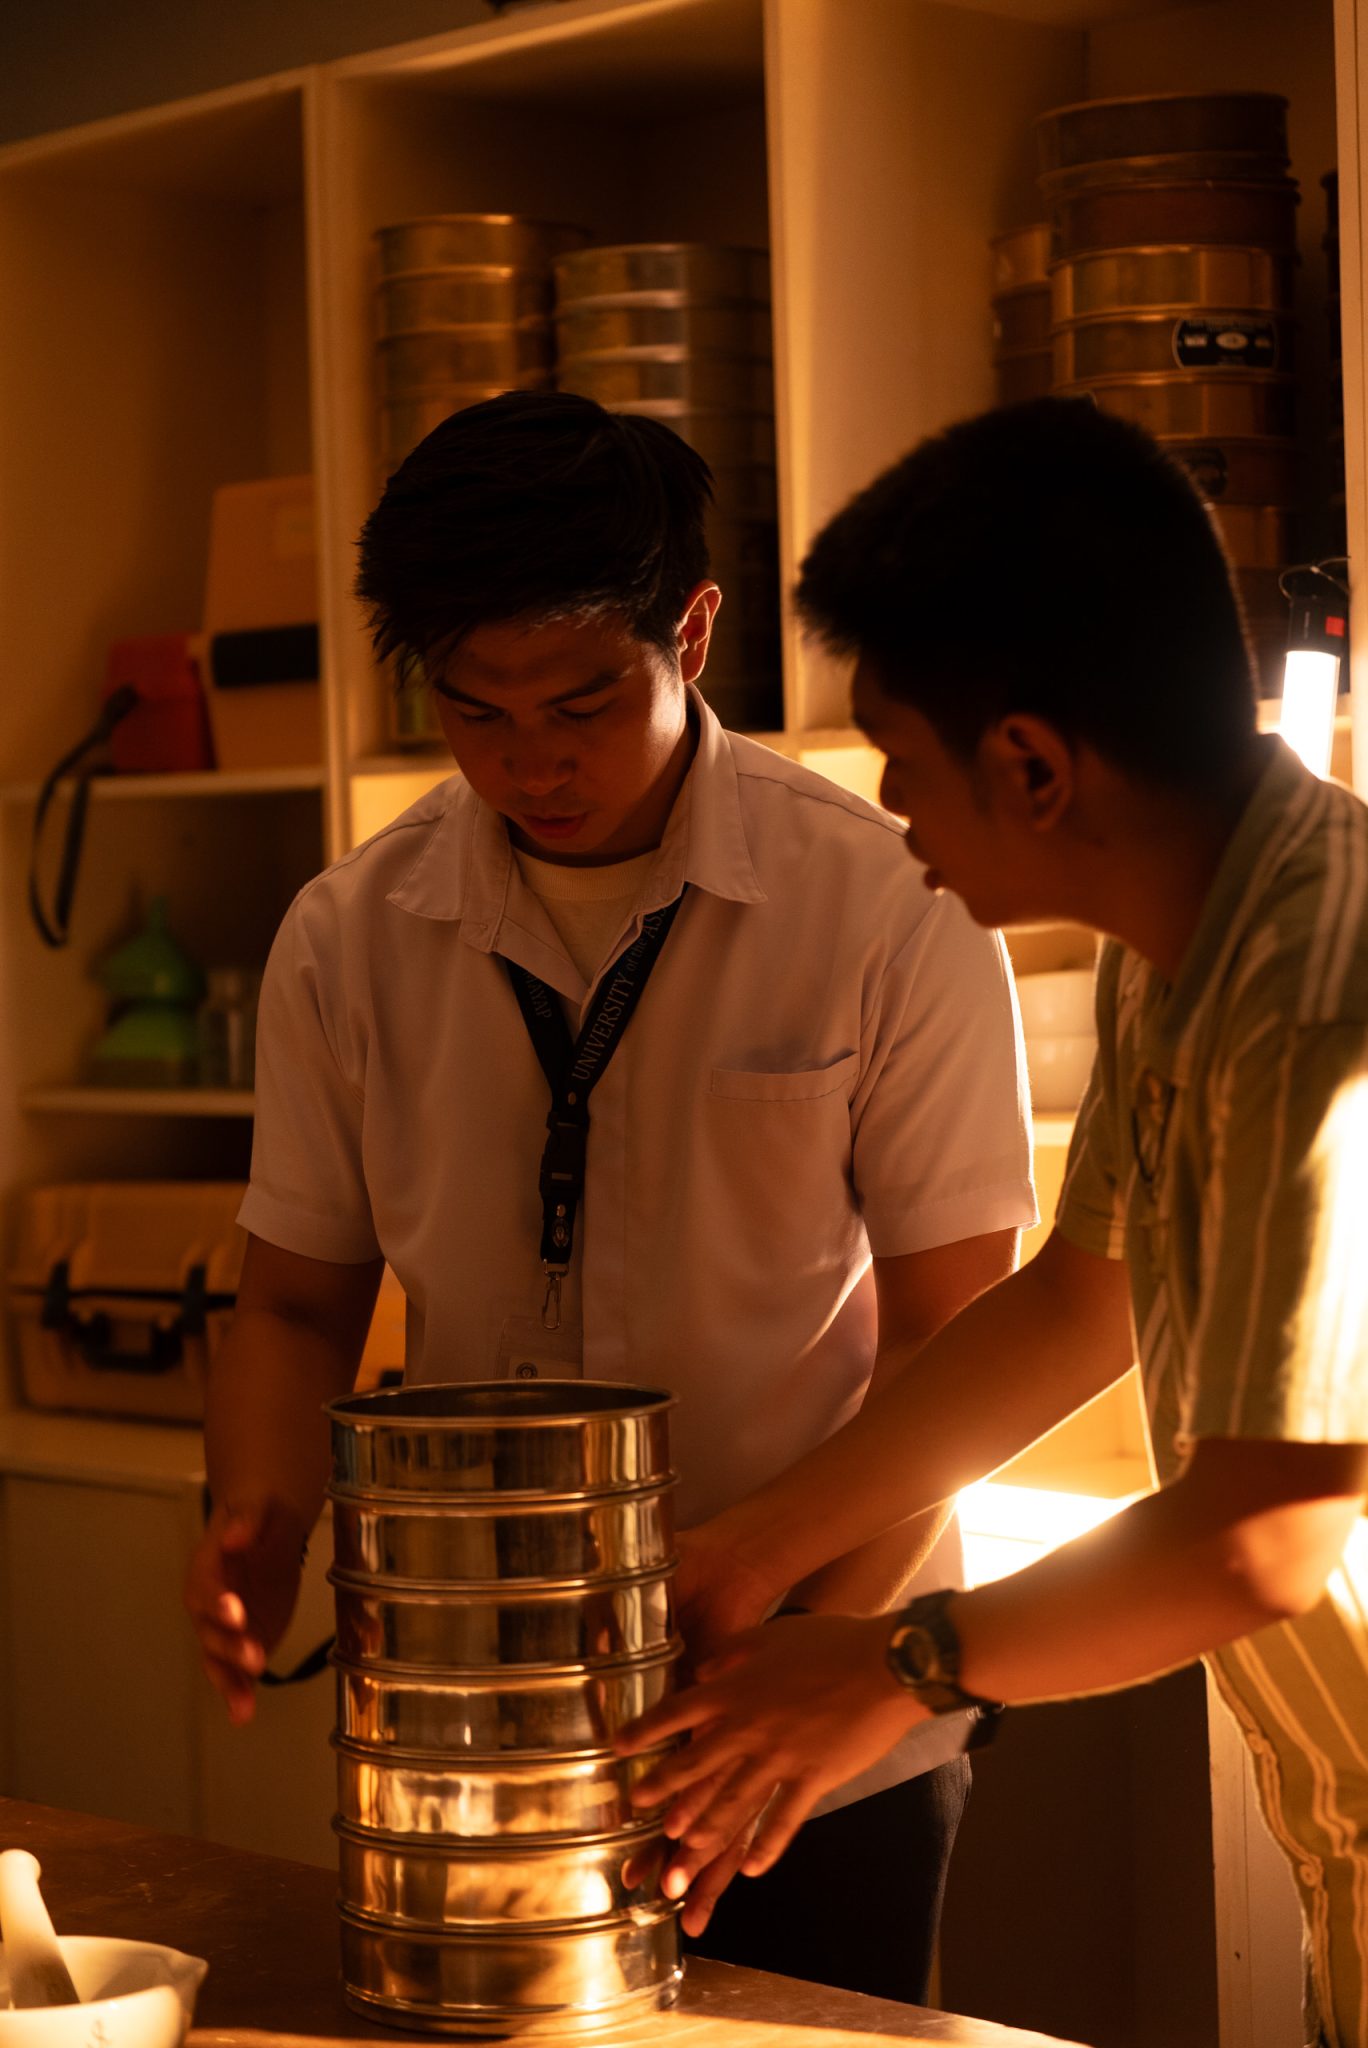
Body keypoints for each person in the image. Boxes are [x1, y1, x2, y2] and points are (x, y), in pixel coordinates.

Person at [183, 390, 1036, 2002]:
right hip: (481, 1705)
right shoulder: (349, 935)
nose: (532, 761)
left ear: (691, 635)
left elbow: (958, 1335)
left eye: (582, 701)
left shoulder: (887, 904)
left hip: (820, 1708)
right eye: (476, 710)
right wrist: (261, 1515)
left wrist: (808, 1645)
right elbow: (294, 1303)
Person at [615, 394, 1368, 2048]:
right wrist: (755, 1553)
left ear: (1030, 765)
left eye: (900, 756)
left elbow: (1265, 1535)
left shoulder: (1317, 998)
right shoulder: (1189, 939)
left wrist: (894, 1665)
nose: (891, 811)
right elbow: (1080, 1302)